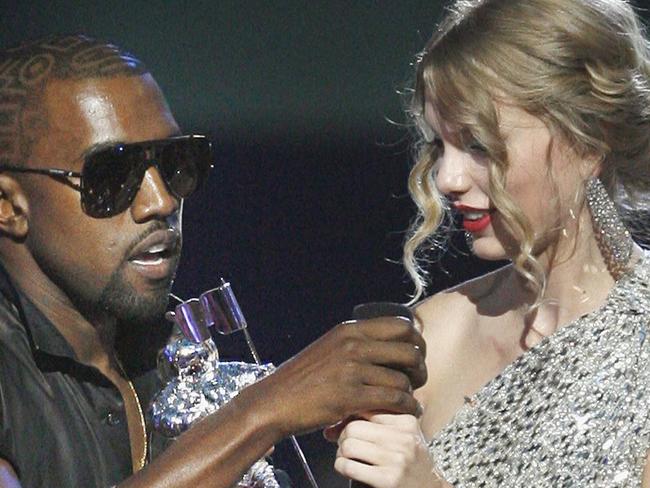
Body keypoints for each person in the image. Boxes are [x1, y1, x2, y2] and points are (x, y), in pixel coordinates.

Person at [0, 34, 427, 488]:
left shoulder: (179, 353)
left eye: (174, 161)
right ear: (9, 204)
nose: (161, 200)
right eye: (111, 175)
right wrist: (264, 411)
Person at [333, 0, 650, 486]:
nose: (447, 177)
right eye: (441, 146)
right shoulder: (433, 338)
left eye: (479, 144)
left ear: (588, 140)